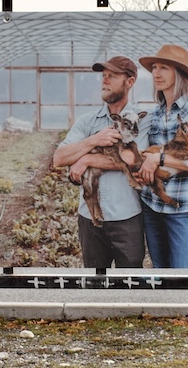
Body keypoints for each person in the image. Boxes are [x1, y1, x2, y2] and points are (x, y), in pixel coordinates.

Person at [53, 56, 151, 268]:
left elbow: (133, 159)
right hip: (89, 219)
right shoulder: (88, 121)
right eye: (103, 76)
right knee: (94, 284)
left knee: (129, 283)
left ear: (130, 82)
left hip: (127, 216)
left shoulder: (140, 119)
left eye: (112, 76)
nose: (104, 81)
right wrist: (94, 140)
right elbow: (59, 158)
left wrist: (86, 158)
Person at [135, 44, 188, 269]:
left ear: (179, 73)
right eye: (154, 67)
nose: (156, 73)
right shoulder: (155, 113)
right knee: (160, 274)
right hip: (152, 205)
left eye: (164, 68)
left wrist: (160, 160)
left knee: (183, 279)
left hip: (183, 208)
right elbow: (147, 155)